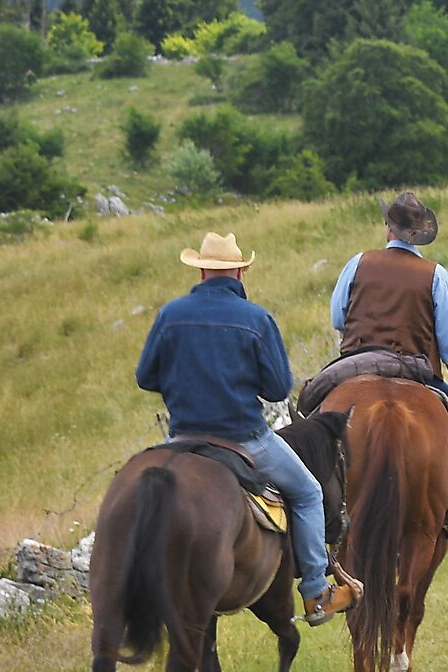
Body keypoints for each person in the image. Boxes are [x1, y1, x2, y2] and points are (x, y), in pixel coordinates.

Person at [136, 230, 354, 624]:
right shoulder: (256, 318)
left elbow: (145, 377)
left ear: (201, 271)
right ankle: (315, 593)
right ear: (239, 272)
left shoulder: (170, 315)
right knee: (308, 493)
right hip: (245, 440)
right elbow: (277, 389)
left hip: (182, 438)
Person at [328, 192, 448, 540]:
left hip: (355, 364)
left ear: (389, 228)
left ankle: (311, 509)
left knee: (311, 411)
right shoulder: (435, 275)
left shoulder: (358, 263)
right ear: (418, 235)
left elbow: (337, 318)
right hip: (413, 368)